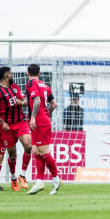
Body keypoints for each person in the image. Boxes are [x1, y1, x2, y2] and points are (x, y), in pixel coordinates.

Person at [0, 66, 32, 191]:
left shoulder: (15, 87)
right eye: (11, 73)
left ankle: (22, 175)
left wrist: (22, 102)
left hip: (20, 122)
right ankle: (13, 177)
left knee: (28, 145)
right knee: (12, 155)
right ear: (6, 75)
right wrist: (2, 122)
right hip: (7, 126)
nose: (12, 75)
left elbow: (24, 100)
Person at [25, 64, 62, 195]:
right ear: (39, 73)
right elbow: (54, 104)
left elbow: (37, 101)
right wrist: (47, 114)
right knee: (36, 151)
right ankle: (39, 181)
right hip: (43, 119)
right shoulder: (45, 85)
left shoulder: (30, 83)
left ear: (27, 73)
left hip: (39, 121)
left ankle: (56, 179)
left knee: (43, 151)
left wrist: (34, 117)